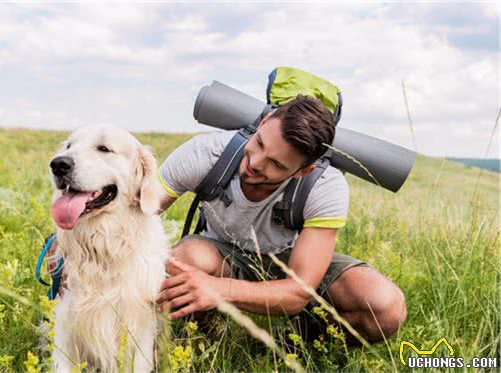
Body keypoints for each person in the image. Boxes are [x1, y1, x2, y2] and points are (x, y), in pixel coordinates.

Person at [154, 95, 407, 345]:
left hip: (287, 259)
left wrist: (218, 289)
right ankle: (203, 339)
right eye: (260, 143)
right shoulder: (205, 153)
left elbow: (298, 291)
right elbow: (137, 214)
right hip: (221, 255)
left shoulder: (325, 186)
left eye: (276, 163)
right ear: (263, 123)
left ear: (302, 171)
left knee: (385, 307)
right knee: (184, 261)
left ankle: (292, 345)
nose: (255, 162)